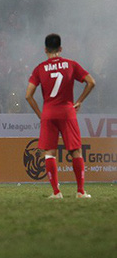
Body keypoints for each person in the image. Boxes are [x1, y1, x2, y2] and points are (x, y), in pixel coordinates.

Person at [25, 33, 96, 199]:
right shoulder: (71, 64)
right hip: (67, 112)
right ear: (61, 48)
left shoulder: (40, 68)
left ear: (45, 50)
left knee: (49, 153)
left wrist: (40, 115)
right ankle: (80, 191)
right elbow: (91, 82)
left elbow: (28, 95)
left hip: (49, 113)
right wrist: (79, 101)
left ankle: (56, 193)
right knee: (75, 151)